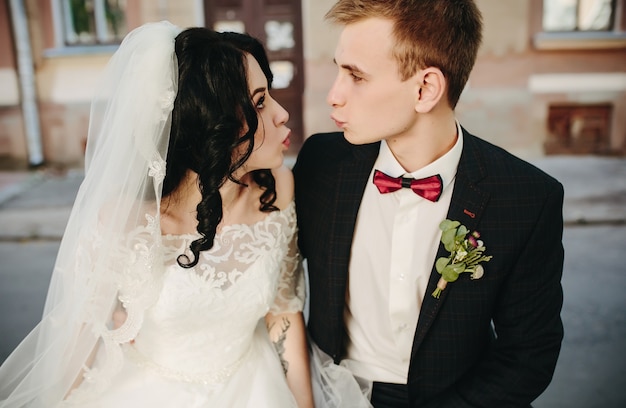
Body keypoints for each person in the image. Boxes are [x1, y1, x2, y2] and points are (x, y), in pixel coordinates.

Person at [0, 21, 314, 407]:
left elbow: (282, 311)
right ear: (210, 123)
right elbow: (76, 347)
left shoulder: (277, 189)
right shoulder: (124, 222)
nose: (281, 114)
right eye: (260, 101)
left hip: (258, 388)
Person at [293, 1, 564, 407]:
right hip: (332, 393)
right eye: (338, 69)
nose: (334, 95)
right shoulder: (321, 165)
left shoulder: (525, 196)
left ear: (425, 90)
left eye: (356, 76)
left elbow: (529, 353)